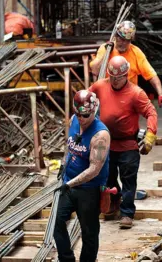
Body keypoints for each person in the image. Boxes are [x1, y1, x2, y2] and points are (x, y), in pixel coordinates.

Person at [88, 55, 158, 229]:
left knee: (128, 179)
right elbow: (86, 98)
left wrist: (150, 135)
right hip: (107, 144)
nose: (115, 81)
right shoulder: (100, 86)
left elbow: (151, 112)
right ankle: (114, 201)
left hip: (128, 145)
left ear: (126, 75)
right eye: (112, 77)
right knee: (108, 177)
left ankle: (127, 213)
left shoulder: (136, 93)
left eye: (118, 78)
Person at [54, 90, 110, 262]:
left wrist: (69, 184)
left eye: (85, 115)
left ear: (93, 111)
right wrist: (64, 165)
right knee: (57, 224)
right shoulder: (74, 120)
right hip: (69, 183)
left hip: (89, 189)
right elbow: (69, 145)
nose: (81, 119)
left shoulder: (101, 136)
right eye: (78, 114)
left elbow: (94, 169)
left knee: (89, 232)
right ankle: (67, 259)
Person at [89, 20, 162, 111]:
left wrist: (161, 94)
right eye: (121, 39)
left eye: (127, 41)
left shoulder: (136, 52)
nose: (123, 43)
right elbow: (95, 70)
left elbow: (152, 75)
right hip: (108, 97)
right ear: (116, 36)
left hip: (128, 99)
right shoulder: (106, 49)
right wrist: (106, 53)